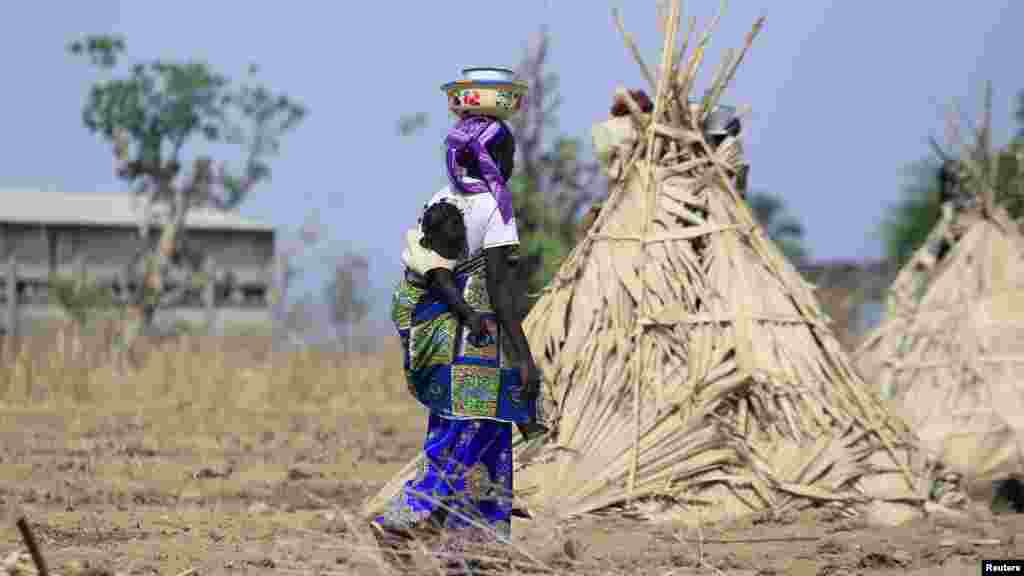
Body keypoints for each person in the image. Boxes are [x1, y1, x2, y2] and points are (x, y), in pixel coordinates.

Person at [373, 112, 545, 569]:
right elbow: (501, 290)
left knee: (465, 430)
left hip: (443, 337)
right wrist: (523, 357)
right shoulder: (494, 206)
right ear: (490, 156)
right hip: (477, 338)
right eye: (506, 152)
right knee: (474, 436)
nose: (512, 161)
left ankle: (469, 552)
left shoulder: (441, 196)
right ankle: (408, 517)